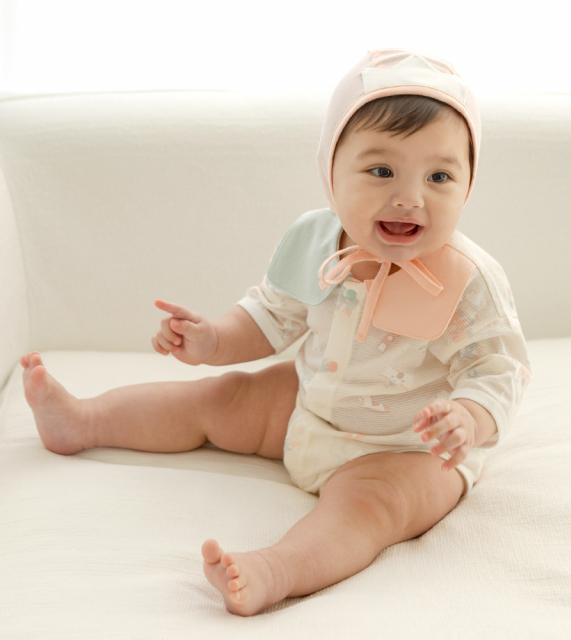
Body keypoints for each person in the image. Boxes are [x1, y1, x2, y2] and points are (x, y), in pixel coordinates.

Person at [20, 49, 530, 616]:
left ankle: (276, 570)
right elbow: (271, 315)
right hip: (307, 406)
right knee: (222, 397)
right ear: (330, 172)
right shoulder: (316, 241)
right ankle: (83, 420)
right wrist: (214, 339)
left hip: (407, 448)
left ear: (467, 186)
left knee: (370, 511)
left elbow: (499, 370)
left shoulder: (469, 281)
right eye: (382, 171)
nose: (410, 197)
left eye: (439, 176)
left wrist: (468, 417)